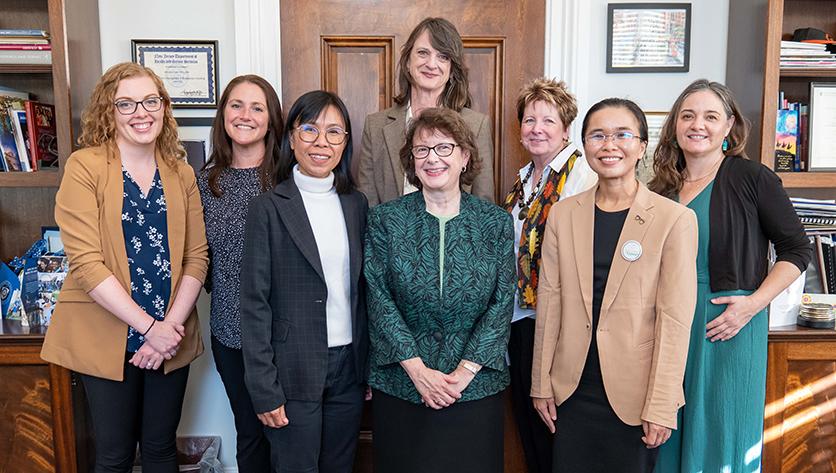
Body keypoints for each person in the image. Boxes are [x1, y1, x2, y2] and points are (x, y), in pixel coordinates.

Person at [40, 62, 208, 472]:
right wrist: (151, 330)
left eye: (151, 101)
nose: (141, 112)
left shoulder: (181, 172)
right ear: (108, 111)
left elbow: (196, 257)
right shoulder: (86, 167)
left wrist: (167, 330)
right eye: (126, 103)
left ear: (164, 108)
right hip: (108, 334)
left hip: (171, 334)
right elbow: (86, 264)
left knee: (161, 449)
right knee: (114, 457)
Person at [651, 80, 812, 472]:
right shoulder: (660, 188)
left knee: (723, 439)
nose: (697, 124)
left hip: (728, 325)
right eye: (687, 115)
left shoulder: (752, 178)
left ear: (729, 126)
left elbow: (797, 250)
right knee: (664, 437)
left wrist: (752, 305)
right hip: (669, 325)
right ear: (675, 125)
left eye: (710, 116)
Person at [531, 98, 698, 473]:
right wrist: (540, 382)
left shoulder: (674, 220)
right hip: (570, 390)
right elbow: (551, 302)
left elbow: (675, 320)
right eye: (598, 135)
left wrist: (662, 403)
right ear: (583, 143)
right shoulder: (563, 214)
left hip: (635, 395)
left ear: (641, 146)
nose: (609, 145)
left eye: (622, 134)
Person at [364, 107, 515, 473]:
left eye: (444, 148)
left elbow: (502, 302)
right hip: (401, 384)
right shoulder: (385, 219)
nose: (433, 158)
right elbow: (379, 298)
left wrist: (463, 374)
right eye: (422, 150)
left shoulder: (495, 222)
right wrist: (419, 373)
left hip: (475, 388)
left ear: (465, 156)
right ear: (411, 162)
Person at [239, 90, 368, 473]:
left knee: (339, 467)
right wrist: (263, 388)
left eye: (334, 132)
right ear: (291, 137)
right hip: (291, 369)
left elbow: (363, 291)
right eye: (309, 129)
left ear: (344, 144)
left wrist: (369, 365)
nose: (321, 142)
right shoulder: (267, 208)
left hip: (349, 366)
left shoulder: (355, 204)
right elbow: (254, 304)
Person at [501, 77, 596, 473]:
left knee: (558, 430)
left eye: (548, 120)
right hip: (522, 321)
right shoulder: (525, 179)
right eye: (529, 120)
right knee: (531, 431)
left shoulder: (581, 174)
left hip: (562, 325)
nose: (536, 128)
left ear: (566, 129)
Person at [198, 74, 283, 472]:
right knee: (250, 434)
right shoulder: (204, 184)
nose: (245, 115)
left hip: (287, 336)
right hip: (230, 333)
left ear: (272, 121)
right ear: (223, 115)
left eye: (257, 107)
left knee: (291, 436)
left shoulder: (289, 182)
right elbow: (198, 261)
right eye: (236, 105)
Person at [357, 17, 494, 206]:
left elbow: (484, 210)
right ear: (407, 62)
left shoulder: (476, 125)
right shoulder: (375, 126)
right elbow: (367, 207)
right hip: (390, 235)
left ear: (452, 69)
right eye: (423, 53)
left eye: (443, 57)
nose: (431, 64)